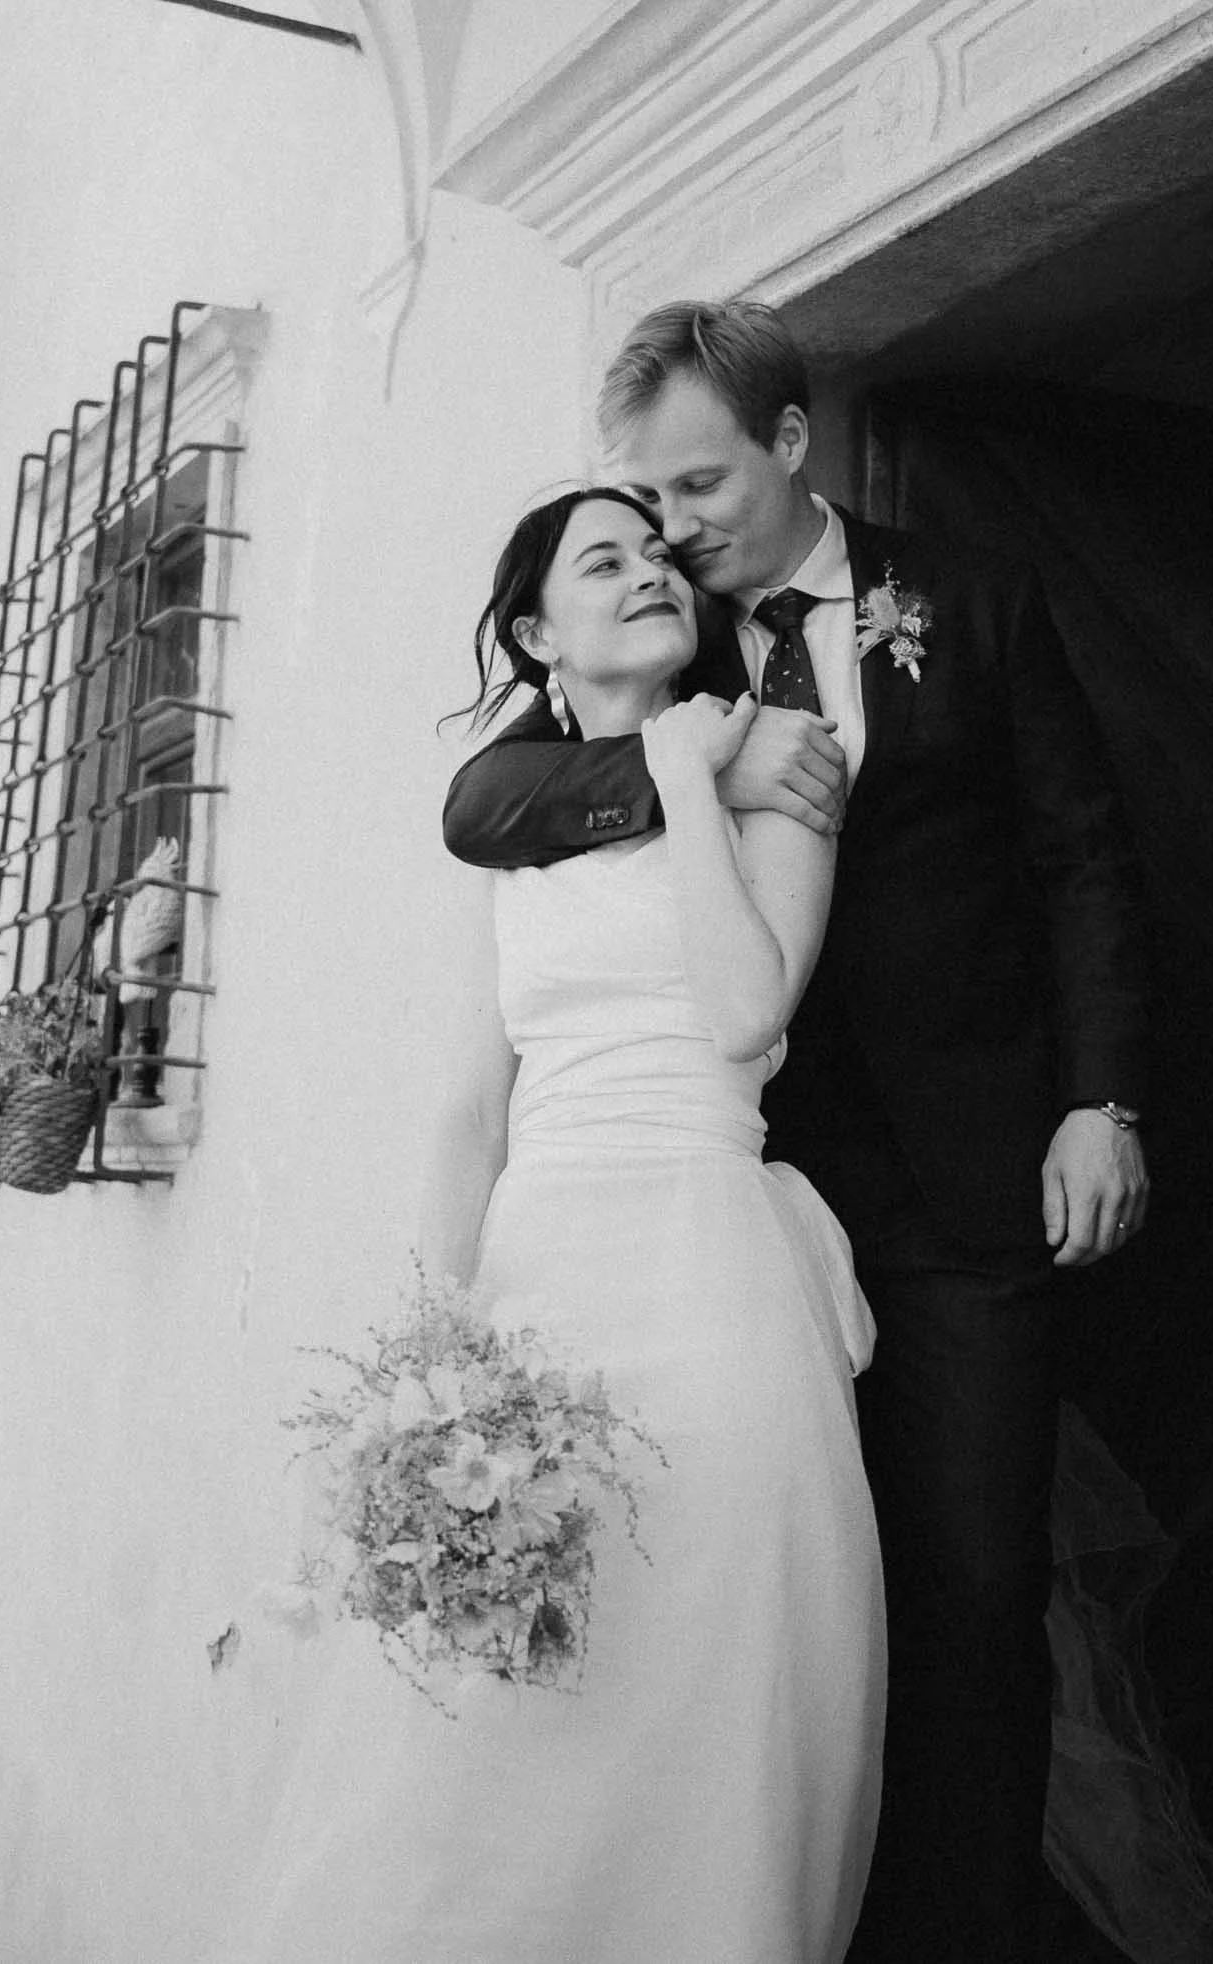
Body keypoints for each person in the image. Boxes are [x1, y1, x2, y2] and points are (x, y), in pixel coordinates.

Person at [442, 303, 1150, 1964]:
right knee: (742, 1610)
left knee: (972, 1595)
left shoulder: (964, 597)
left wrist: (1098, 1099)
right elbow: (485, 806)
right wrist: (723, 751)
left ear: (788, 440)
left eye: (698, 484)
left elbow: (1084, 862)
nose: (672, 530)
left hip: (975, 1182)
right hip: (748, 1200)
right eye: (647, 502)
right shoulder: (668, 647)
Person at [231, 487, 884, 1964]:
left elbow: (740, 1011)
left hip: (709, 1266)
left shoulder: (775, 771)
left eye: (661, 555)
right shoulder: (513, 830)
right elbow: (470, 1107)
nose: (651, 570)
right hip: (541, 1274)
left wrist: (686, 770)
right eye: (608, 561)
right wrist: (428, 1340)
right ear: (537, 631)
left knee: (696, 1694)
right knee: (493, 1716)